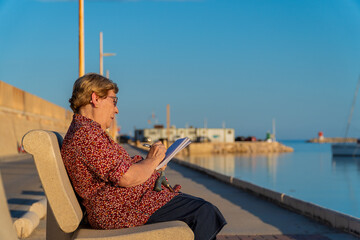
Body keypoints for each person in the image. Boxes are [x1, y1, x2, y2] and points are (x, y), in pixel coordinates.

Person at [61, 73, 226, 240]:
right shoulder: (87, 135)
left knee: (201, 209)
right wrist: (152, 160)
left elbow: (120, 169)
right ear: (95, 99)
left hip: (126, 204)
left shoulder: (87, 131)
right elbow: (126, 177)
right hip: (119, 210)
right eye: (114, 101)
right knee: (204, 212)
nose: (116, 109)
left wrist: (152, 165)